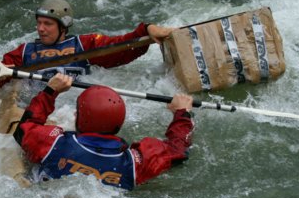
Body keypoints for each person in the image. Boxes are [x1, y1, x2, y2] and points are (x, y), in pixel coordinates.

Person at [13, 73, 195, 190]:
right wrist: (182, 114)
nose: (75, 113)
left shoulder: (53, 143)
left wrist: (50, 91)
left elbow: (23, 129)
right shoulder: (135, 163)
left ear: (82, 118)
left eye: (78, 111)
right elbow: (178, 150)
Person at [0, 0, 174, 85]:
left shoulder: (85, 44)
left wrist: (146, 29)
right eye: (39, 23)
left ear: (63, 26)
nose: (40, 28)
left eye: (47, 24)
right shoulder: (23, 51)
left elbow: (121, 47)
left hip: (68, 108)